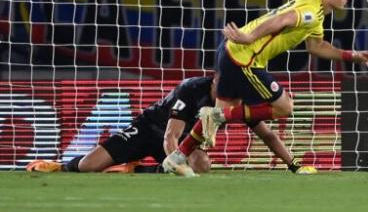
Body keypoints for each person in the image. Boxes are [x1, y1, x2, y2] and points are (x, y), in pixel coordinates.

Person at [162, 0, 368, 176]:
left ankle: (175, 158)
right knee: (285, 107)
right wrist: (250, 37)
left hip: (229, 51)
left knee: (214, 119)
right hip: (245, 58)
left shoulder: (313, 9)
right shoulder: (310, 11)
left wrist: (351, 55)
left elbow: (316, 47)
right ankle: (216, 117)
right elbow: (282, 20)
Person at [25, 76, 315, 175]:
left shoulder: (237, 101)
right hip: (151, 129)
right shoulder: (191, 90)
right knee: (89, 165)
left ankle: (138, 170)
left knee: (202, 164)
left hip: (181, 146)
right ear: (215, 80)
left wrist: (294, 166)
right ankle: (59, 166)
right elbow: (170, 135)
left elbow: (268, 135)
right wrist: (179, 167)